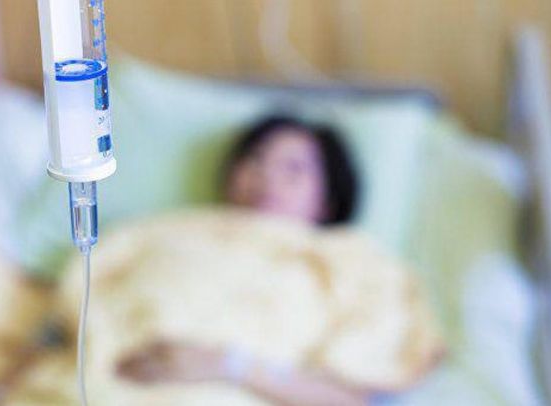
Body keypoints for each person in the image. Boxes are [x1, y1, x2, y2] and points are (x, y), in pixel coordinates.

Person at [117, 115, 371, 406]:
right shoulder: (160, 238)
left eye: (293, 168)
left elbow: (350, 399)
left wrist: (227, 365)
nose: (267, 177)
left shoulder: (348, 269)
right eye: (256, 159)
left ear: (327, 201)